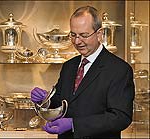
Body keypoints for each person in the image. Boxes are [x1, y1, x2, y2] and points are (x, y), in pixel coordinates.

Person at [31, 6, 135, 139]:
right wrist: (46, 100)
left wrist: (74, 124)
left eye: (84, 35)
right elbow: (61, 104)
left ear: (99, 34)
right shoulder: (69, 66)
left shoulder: (119, 70)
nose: (77, 41)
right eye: (73, 35)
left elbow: (120, 117)